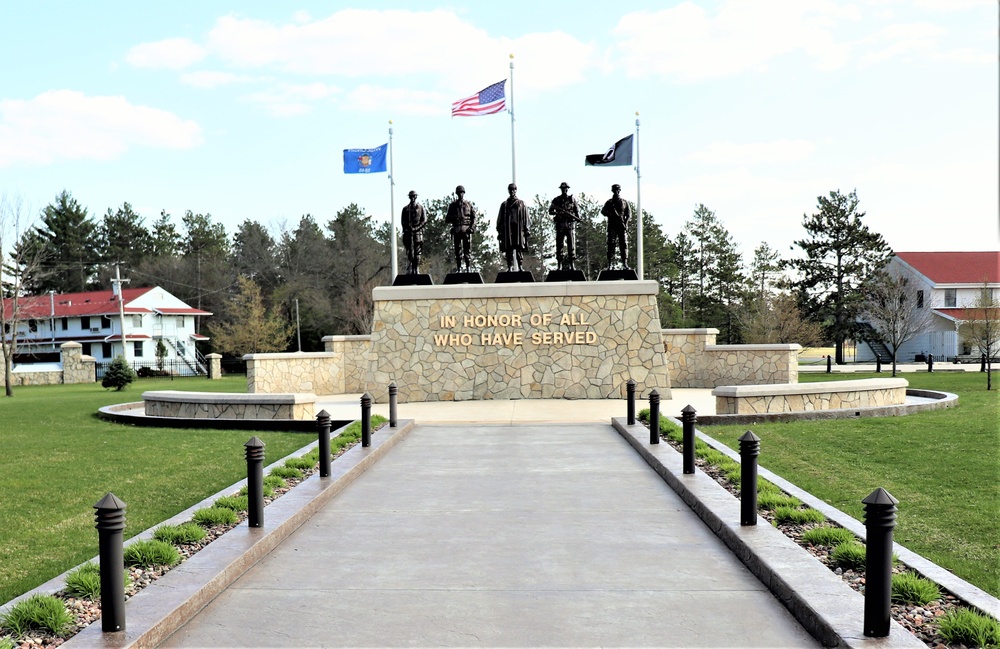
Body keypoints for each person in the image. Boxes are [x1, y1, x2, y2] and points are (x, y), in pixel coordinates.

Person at [496, 183, 530, 272]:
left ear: (516, 190)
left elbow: (526, 217)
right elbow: (500, 219)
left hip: (518, 229)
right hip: (508, 229)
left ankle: (520, 266)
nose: (512, 191)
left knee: (519, 248)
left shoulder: (521, 203)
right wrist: (499, 231)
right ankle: (510, 267)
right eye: (511, 189)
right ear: (508, 191)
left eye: (514, 189)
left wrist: (526, 229)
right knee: (509, 249)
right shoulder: (504, 205)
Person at [548, 182, 580, 271]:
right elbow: (550, 211)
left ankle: (572, 265)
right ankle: (559, 265)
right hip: (560, 224)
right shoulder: (556, 200)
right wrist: (557, 212)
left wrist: (577, 218)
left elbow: (577, 212)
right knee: (559, 245)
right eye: (563, 188)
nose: (564, 190)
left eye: (566, 188)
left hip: (569, 224)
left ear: (567, 189)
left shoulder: (572, 200)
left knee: (571, 244)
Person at [446, 185, 476, 272]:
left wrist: (472, 227)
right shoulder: (453, 205)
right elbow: (447, 218)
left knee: (467, 250)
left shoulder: (468, 204)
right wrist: (454, 218)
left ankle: (468, 267)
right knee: (457, 250)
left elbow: (474, 217)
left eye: (462, 193)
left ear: (464, 193)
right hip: (457, 229)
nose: (460, 194)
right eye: (459, 193)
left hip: (466, 229)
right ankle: (459, 267)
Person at [601, 183, 631, 269]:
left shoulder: (624, 202)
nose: (616, 192)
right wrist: (611, 214)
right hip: (612, 226)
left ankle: (625, 263)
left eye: (617, 190)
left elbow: (628, 214)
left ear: (619, 190)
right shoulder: (609, 202)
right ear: (612, 191)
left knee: (623, 244)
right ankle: (610, 264)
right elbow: (603, 211)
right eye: (614, 190)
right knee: (611, 244)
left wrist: (625, 222)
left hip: (621, 226)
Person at [401, 190, 426, 274]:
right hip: (408, 233)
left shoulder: (421, 208)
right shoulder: (405, 209)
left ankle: (417, 268)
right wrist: (407, 229)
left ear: (416, 197)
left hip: (418, 233)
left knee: (417, 252)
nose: (412, 198)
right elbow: (403, 222)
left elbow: (424, 220)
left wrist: (416, 228)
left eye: (414, 196)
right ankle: (411, 267)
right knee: (410, 252)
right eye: (411, 196)